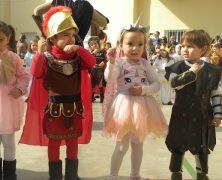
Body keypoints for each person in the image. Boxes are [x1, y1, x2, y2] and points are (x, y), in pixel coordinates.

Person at [19, 6, 96, 180]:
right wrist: (39, 52)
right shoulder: (46, 57)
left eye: (72, 35)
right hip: (54, 108)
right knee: (54, 143)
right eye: (65, 35)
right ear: (53, 38)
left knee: (72, 142)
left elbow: (91, 63)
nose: (71, 39)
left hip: (74, 107)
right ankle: (54, 176)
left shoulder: (77, 57)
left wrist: (80, 49)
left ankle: (71, 176)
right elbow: (36, 72)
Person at [103, 23, 167, 180]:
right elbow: (109, 78)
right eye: (130, 43)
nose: (135, 48)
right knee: (122, 146)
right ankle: (113, 176)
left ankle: (135, 175)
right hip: (123, 107)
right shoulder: (119, 63)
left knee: (138, 143)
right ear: (120, 45)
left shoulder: (145, 64)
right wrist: (110, 63)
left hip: (143, 107)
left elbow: (156, 84)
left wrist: (144, 90)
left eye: (140, 44)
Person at [165, 29, 222, 180]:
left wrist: (218, 114)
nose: (184, 49)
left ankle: (201, 174)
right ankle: (176, 173)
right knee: (178, 146)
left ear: (203, 49)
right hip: (181, 114)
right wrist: (191, 72)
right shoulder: (176, 67)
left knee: (202, 147)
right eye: (183, 45)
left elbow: (215, 93)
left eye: (189, 46)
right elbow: (174, 84)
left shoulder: (213, 71)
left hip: (203, 115)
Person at [0, 21, 30, 180]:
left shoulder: (13, 58)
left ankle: (10, 175)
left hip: (7, 105)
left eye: (0, 39)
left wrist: (19, 89)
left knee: (8, 142)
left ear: (7, 39)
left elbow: (24, 76)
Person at [88, 36, 107, 103]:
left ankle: (102, 98)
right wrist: (93, 53)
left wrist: (104, 62)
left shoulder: (103, 51)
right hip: (93, 70)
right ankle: (91, 98)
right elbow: (88, 59)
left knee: (100, 84)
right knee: (92, 85)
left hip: (100, 70)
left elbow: (106, 59)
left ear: (98, 44)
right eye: (92, 45)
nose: (94, 45)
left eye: (95, 44)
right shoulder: (90, 53)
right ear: (90, 46)